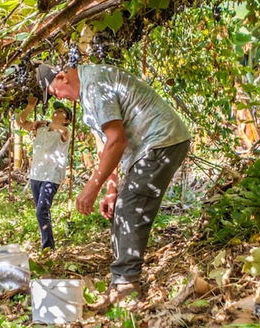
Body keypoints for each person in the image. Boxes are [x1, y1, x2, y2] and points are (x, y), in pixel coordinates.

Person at [36, 63, 191, 309]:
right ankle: (121, 279)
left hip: (161, 140)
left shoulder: (95, 84)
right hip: (143, 149)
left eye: (57, 93)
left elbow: (117, 140)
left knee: (131, 206)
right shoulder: (88, 97)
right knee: (121, 205)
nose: (62, 98)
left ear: (63, 77)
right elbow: (105, 145)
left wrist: (91, 188)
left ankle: (126, 285)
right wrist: (111, 188)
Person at [16, 96, 71, 250]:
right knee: (41, 212)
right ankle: (48, 243)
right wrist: (30, 106)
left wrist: (46, 122)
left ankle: (47, 246)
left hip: (51, 176)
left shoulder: (65, 132)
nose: (56, 112)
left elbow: (61, 129)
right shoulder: (41, 128)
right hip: (36, 175)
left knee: (41, 210)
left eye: (61, 111)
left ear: (66, 120)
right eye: (56, 110)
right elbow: (20, 122)